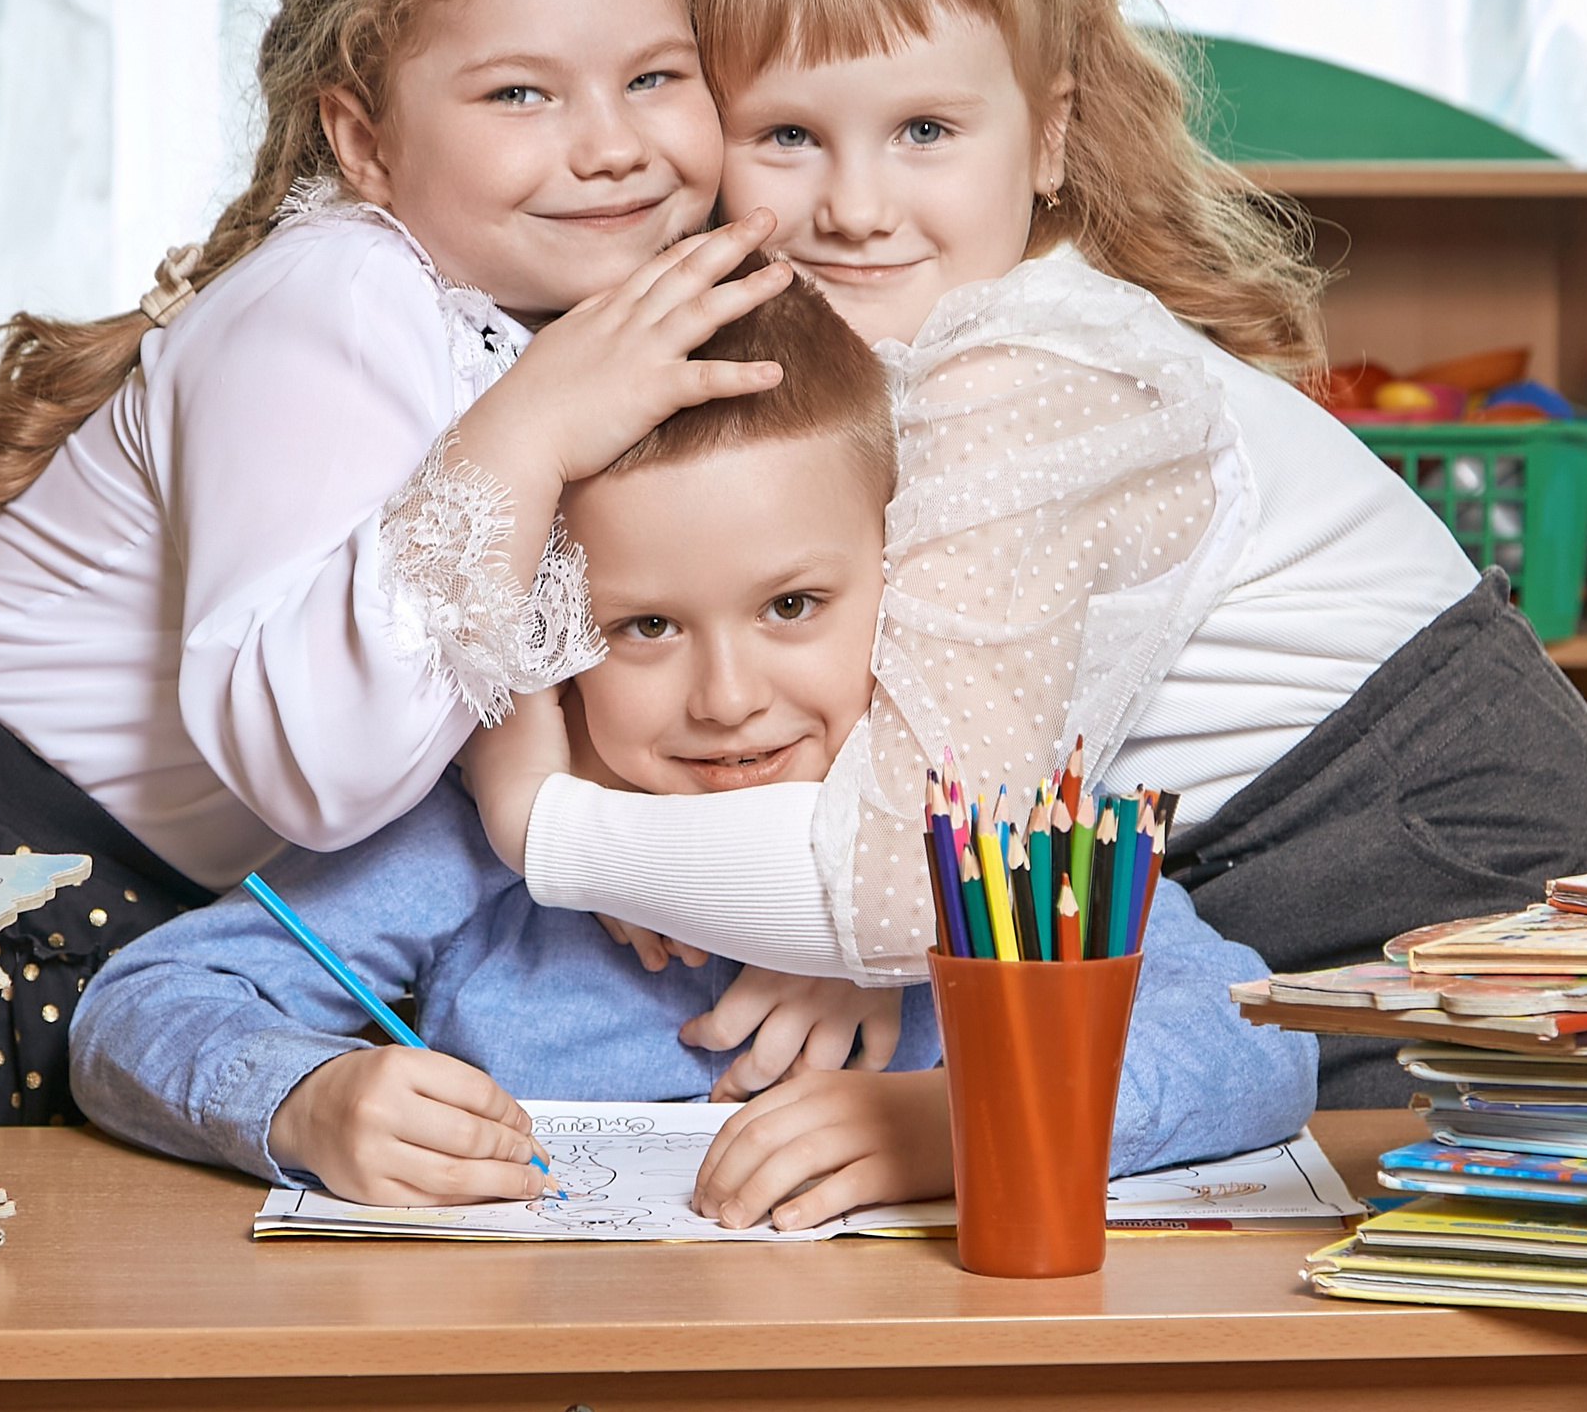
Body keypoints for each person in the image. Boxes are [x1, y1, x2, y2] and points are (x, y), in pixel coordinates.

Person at [465, 0, 1587, 1108]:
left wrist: (544, 823)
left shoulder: (1037, 375)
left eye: (923, 129)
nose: (855, 203)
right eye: (787, 134)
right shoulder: (878, 349)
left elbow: (913, 876)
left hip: (1443, 886)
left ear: (1045, 137)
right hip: (1210, 871)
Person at [0, 0, 828, 1127]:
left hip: (133, 915)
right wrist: (526, 433)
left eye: (655, 75)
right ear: (363, 140)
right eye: (522, 91)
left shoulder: (567, 328)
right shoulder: (337, 295)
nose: (613, 141)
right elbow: (318, 773)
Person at [70, 281, 1315, 1224]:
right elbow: (135, 1011)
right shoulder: (470, 834)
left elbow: (1259, 1037)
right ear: (556, 632)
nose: (727, 699)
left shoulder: (989, 817)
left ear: (902, 585)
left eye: (792, 607)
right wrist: (305, 1100)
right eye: (645, 626)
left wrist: (958, 1123)